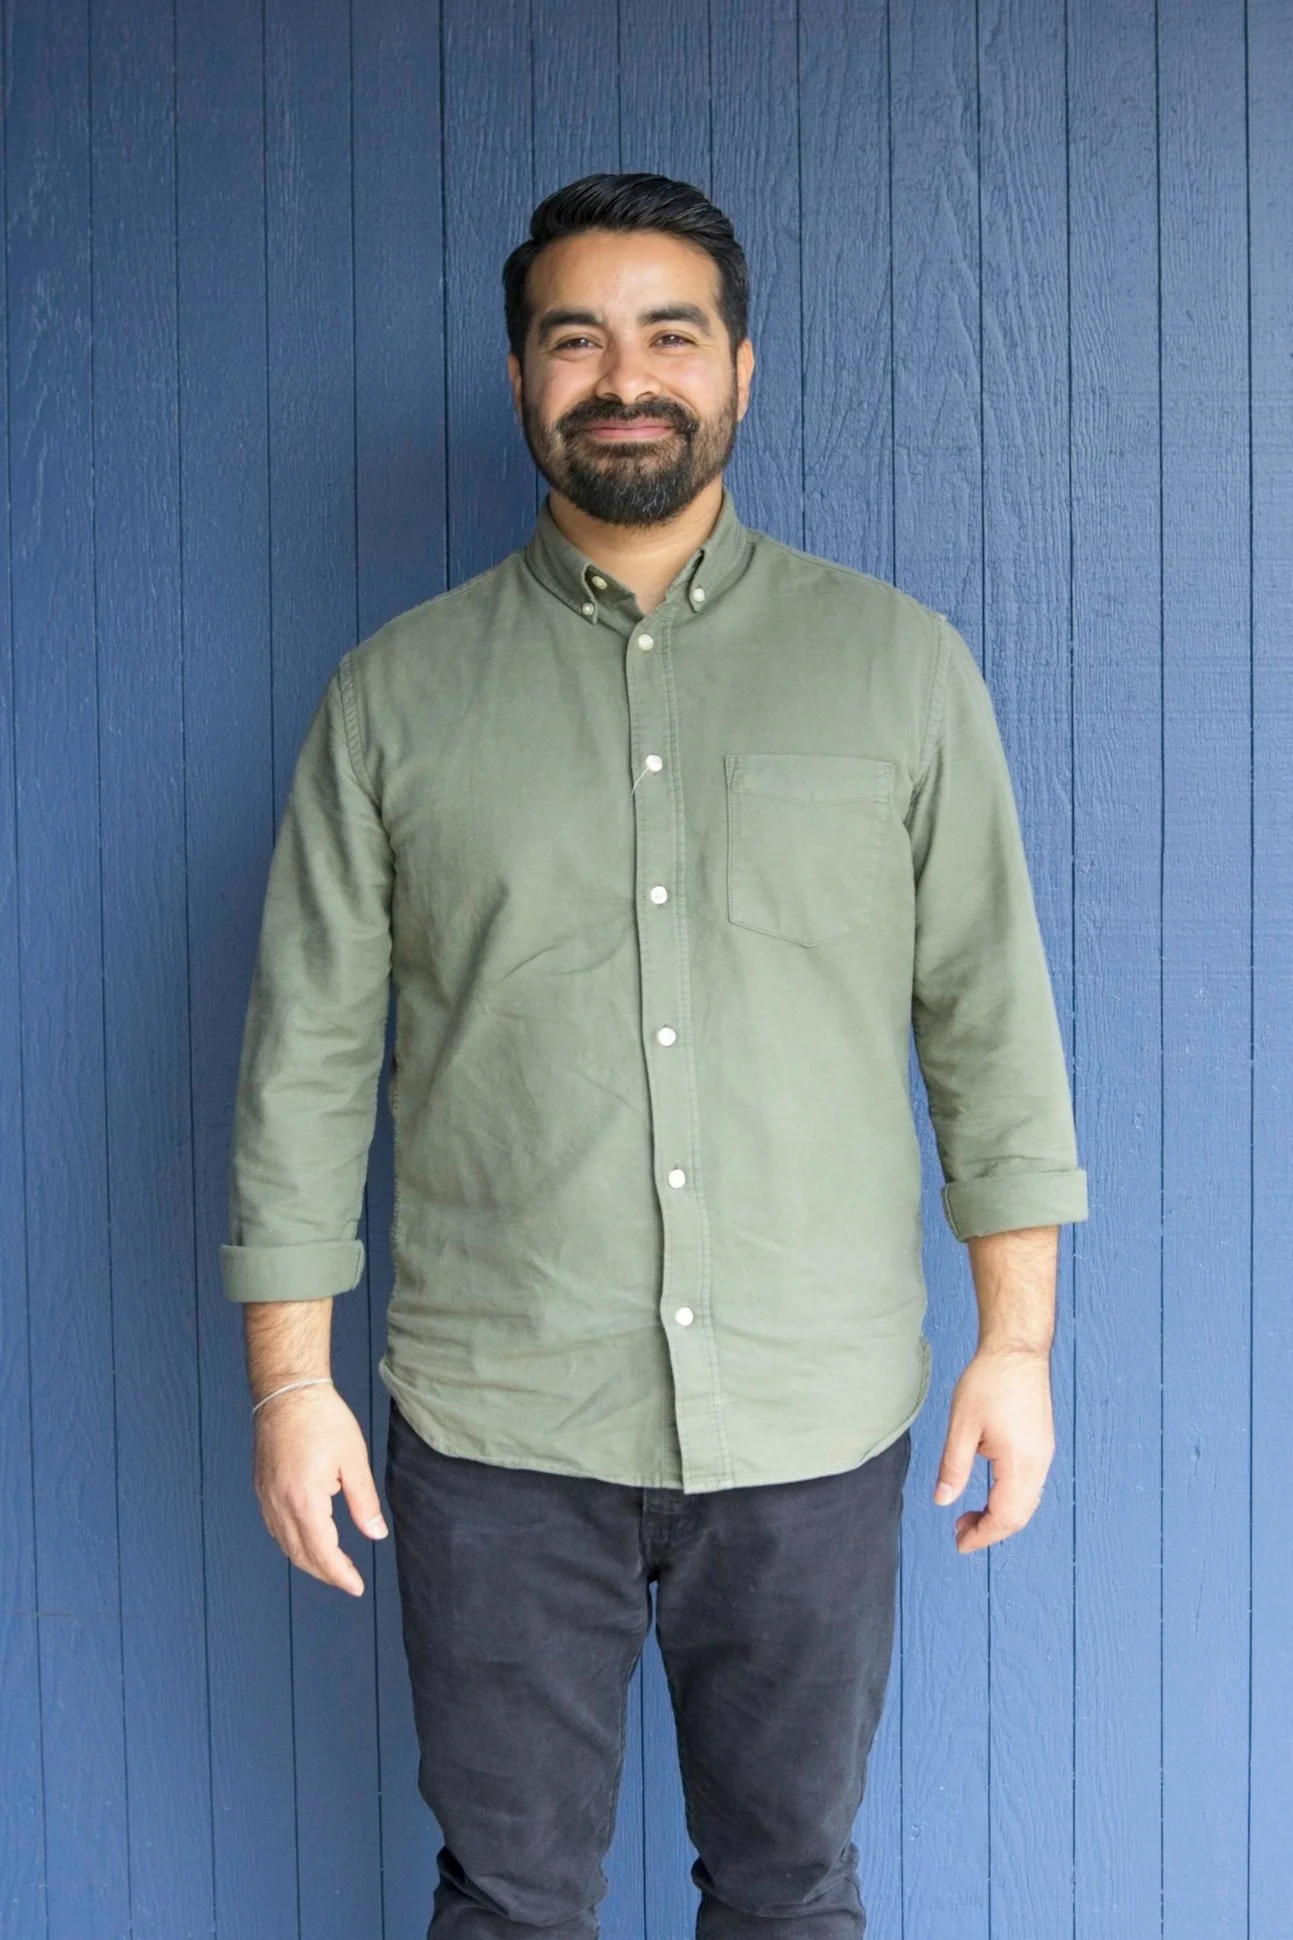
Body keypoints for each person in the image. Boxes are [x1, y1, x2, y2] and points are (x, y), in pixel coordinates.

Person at [221, 171, 1088, 1940]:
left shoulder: (901, 672)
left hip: (813, 1419)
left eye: (669, 333)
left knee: (790, 1887)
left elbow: (990, 1024)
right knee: (510, 1895)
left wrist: (1019, 1344)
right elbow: (304, 1062)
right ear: (526, 381)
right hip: (494, 1428)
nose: (627, 374)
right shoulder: (391, 698)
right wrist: (292, 1385)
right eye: (579, 337)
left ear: (742, 371)